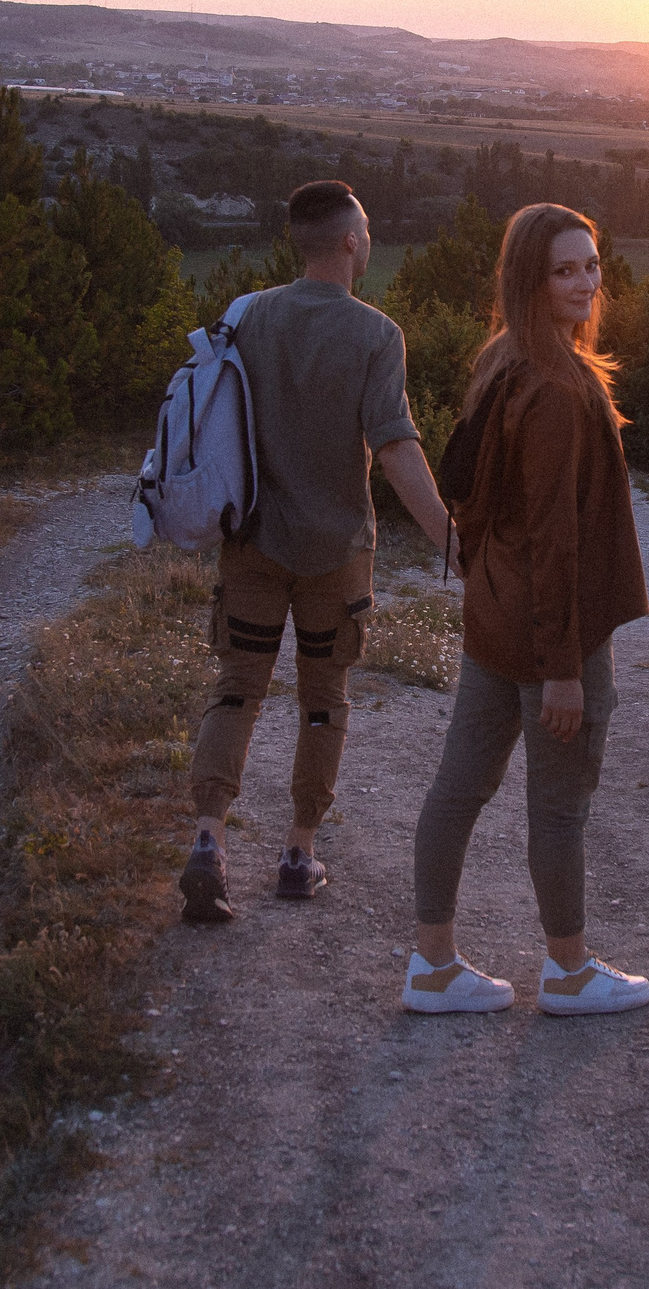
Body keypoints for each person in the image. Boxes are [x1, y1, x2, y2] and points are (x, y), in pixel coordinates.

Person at [178, 180, 455, 924]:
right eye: (363, 235)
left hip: (253, 541)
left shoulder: (249, 316)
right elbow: (395, 446)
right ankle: (299, 852)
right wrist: (449, 538)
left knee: (237, 687)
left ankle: (208, 839)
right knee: (324, 702)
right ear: (349, 243)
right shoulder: (376, 334)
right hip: (337, 551)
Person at [404, 203, 649, 1015]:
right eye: (565, 269)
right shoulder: (552, 388)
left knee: (458, 788)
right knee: (558, 807)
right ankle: (569, 972)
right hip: (551, 636)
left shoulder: (503, 363)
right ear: (530, 281)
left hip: (494, 619)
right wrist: (563, 674)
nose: (586, 282)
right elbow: (555, 538)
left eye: (592, 265)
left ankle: (433, 966)